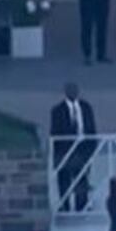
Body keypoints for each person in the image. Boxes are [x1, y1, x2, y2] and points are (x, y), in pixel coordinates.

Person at [49, 82, 98, 213]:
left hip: (83, 149)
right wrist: (59, 153)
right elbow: (54, 132)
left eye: (75, 90)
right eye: (70, 90)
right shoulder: (57, 110)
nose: (73, 92)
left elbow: (92, 128)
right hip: (65, 150)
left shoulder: (86, 107)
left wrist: (91, 148)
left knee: (81, 178)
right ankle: (65, 206)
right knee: (64, 179)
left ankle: (81, 205)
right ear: (65, 92)